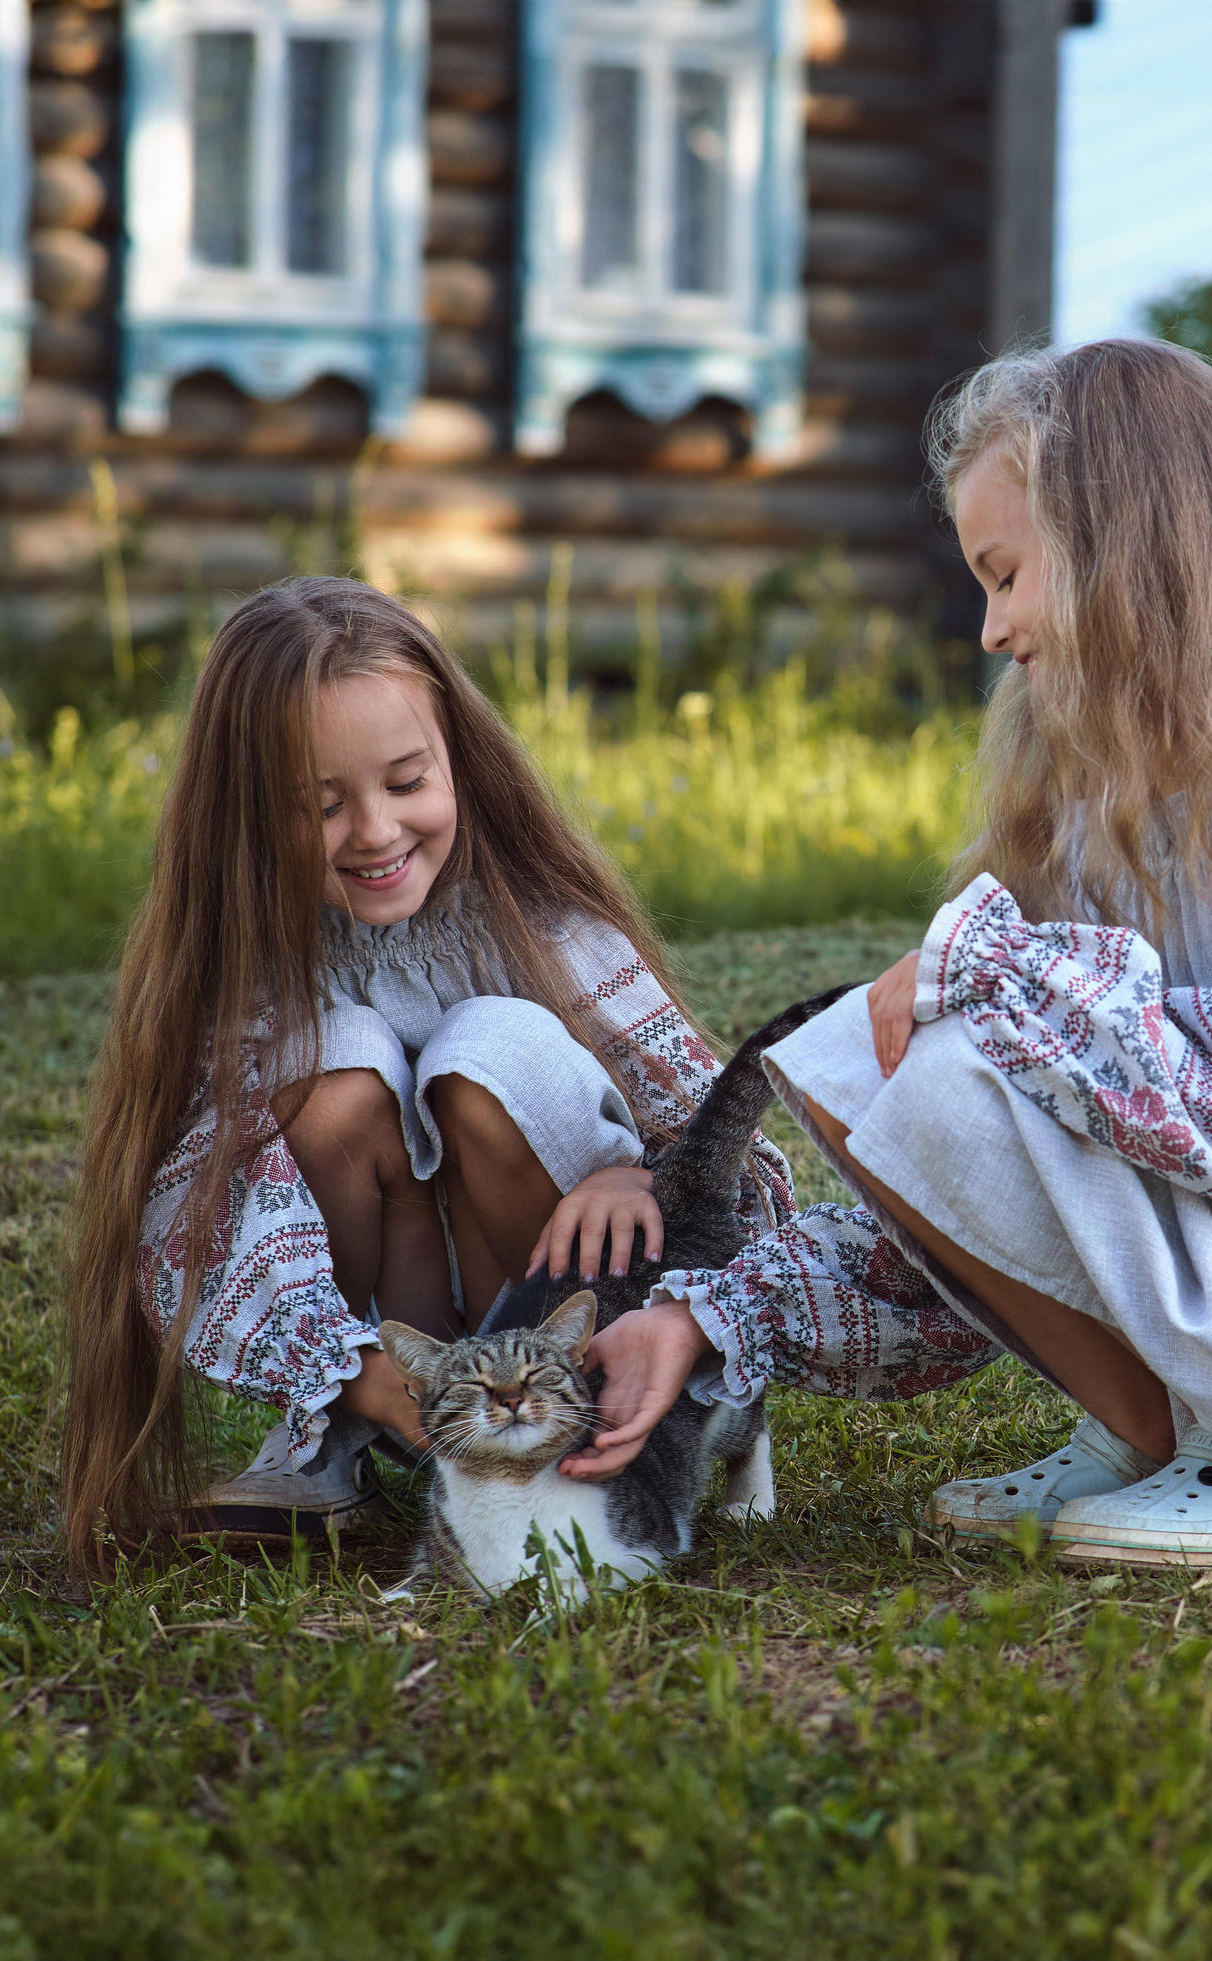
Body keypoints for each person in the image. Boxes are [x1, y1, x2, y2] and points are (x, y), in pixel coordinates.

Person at [574, 338, 1212, 1564]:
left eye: (1009, 576)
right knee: (875, 1051)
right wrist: (704, 1319)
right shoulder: (1096, 812)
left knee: (951, 1049)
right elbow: (957, 1198)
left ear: (1133, 550)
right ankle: (1152, 1431)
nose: (996, 628)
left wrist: (995, 968)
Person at [58, 578, 791, 1573]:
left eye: (406, 783)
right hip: (398, 1353)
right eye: (320, 804)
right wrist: (349, 1367)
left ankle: (593, 1418)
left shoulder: (546, 932)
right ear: (242, 814)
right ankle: (345, 1427)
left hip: (544, 1327)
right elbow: (200, 1215)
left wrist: (635, 1176)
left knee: (487, 1049)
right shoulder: (246, 981)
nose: (372, 831)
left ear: (459, 763)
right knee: (331, 1059)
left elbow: (718, 1138)